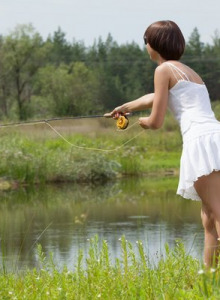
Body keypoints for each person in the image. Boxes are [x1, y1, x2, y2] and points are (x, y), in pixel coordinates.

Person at [110, 20, 220, 268]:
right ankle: (211, 280)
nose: (146, 46)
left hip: (200, 141)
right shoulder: (188, 72)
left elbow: (156, 121)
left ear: (154, 44)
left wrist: (144, 122)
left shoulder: (162, 70)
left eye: (145, 41)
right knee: (209, 217)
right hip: (215, 137)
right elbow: (158, 97)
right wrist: (124, 108)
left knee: (217, 212)